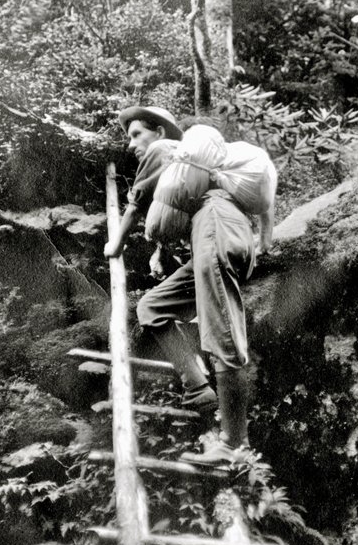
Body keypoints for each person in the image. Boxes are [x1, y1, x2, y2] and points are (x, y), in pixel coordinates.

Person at [104, 105, 275, 463]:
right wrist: (162, 253)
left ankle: (233, 445)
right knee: (151, 307)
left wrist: (114, 244)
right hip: (217, 233)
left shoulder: (164, 152)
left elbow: (136, 206)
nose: (132, 144)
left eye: (137, 134)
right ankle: (198, 388)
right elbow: (175, 208)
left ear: (160, 133)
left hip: (215, 228)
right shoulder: (193, 169)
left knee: (222, 331)